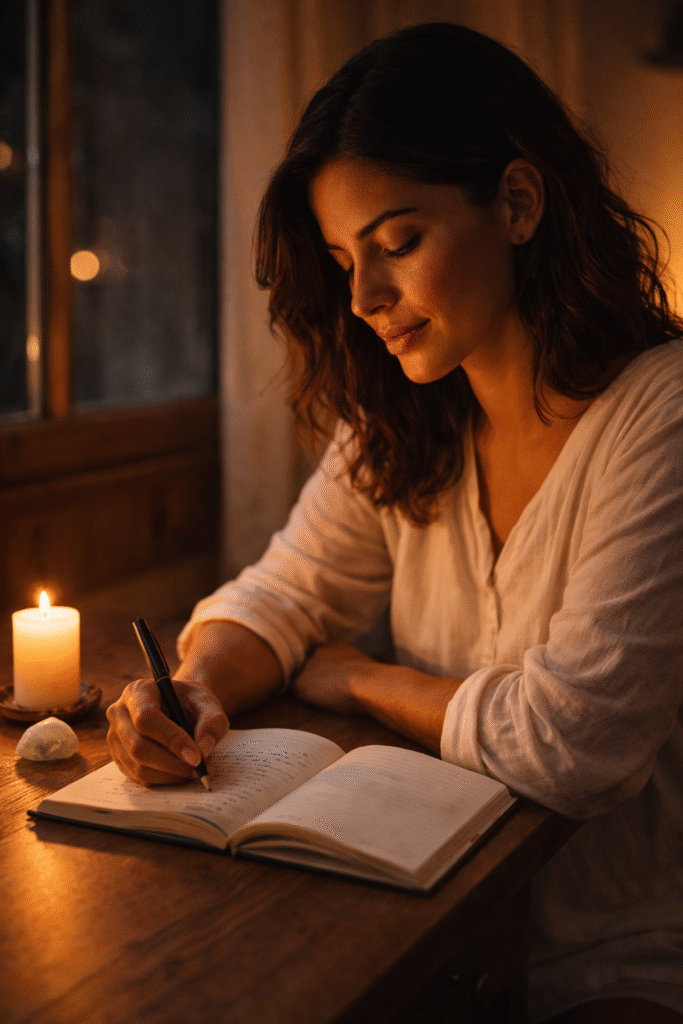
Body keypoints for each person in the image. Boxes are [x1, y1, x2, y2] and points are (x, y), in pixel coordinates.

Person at [106, 22, 683, 1024]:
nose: (365, 297)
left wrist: (357, 676)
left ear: (515, 203)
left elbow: (572, 741)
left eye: (397, 243)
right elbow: (286, 591)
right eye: (342, 260)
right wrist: (190, 685)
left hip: (621, 952)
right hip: (442, 926)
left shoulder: (659, 416)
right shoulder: (407, 417)